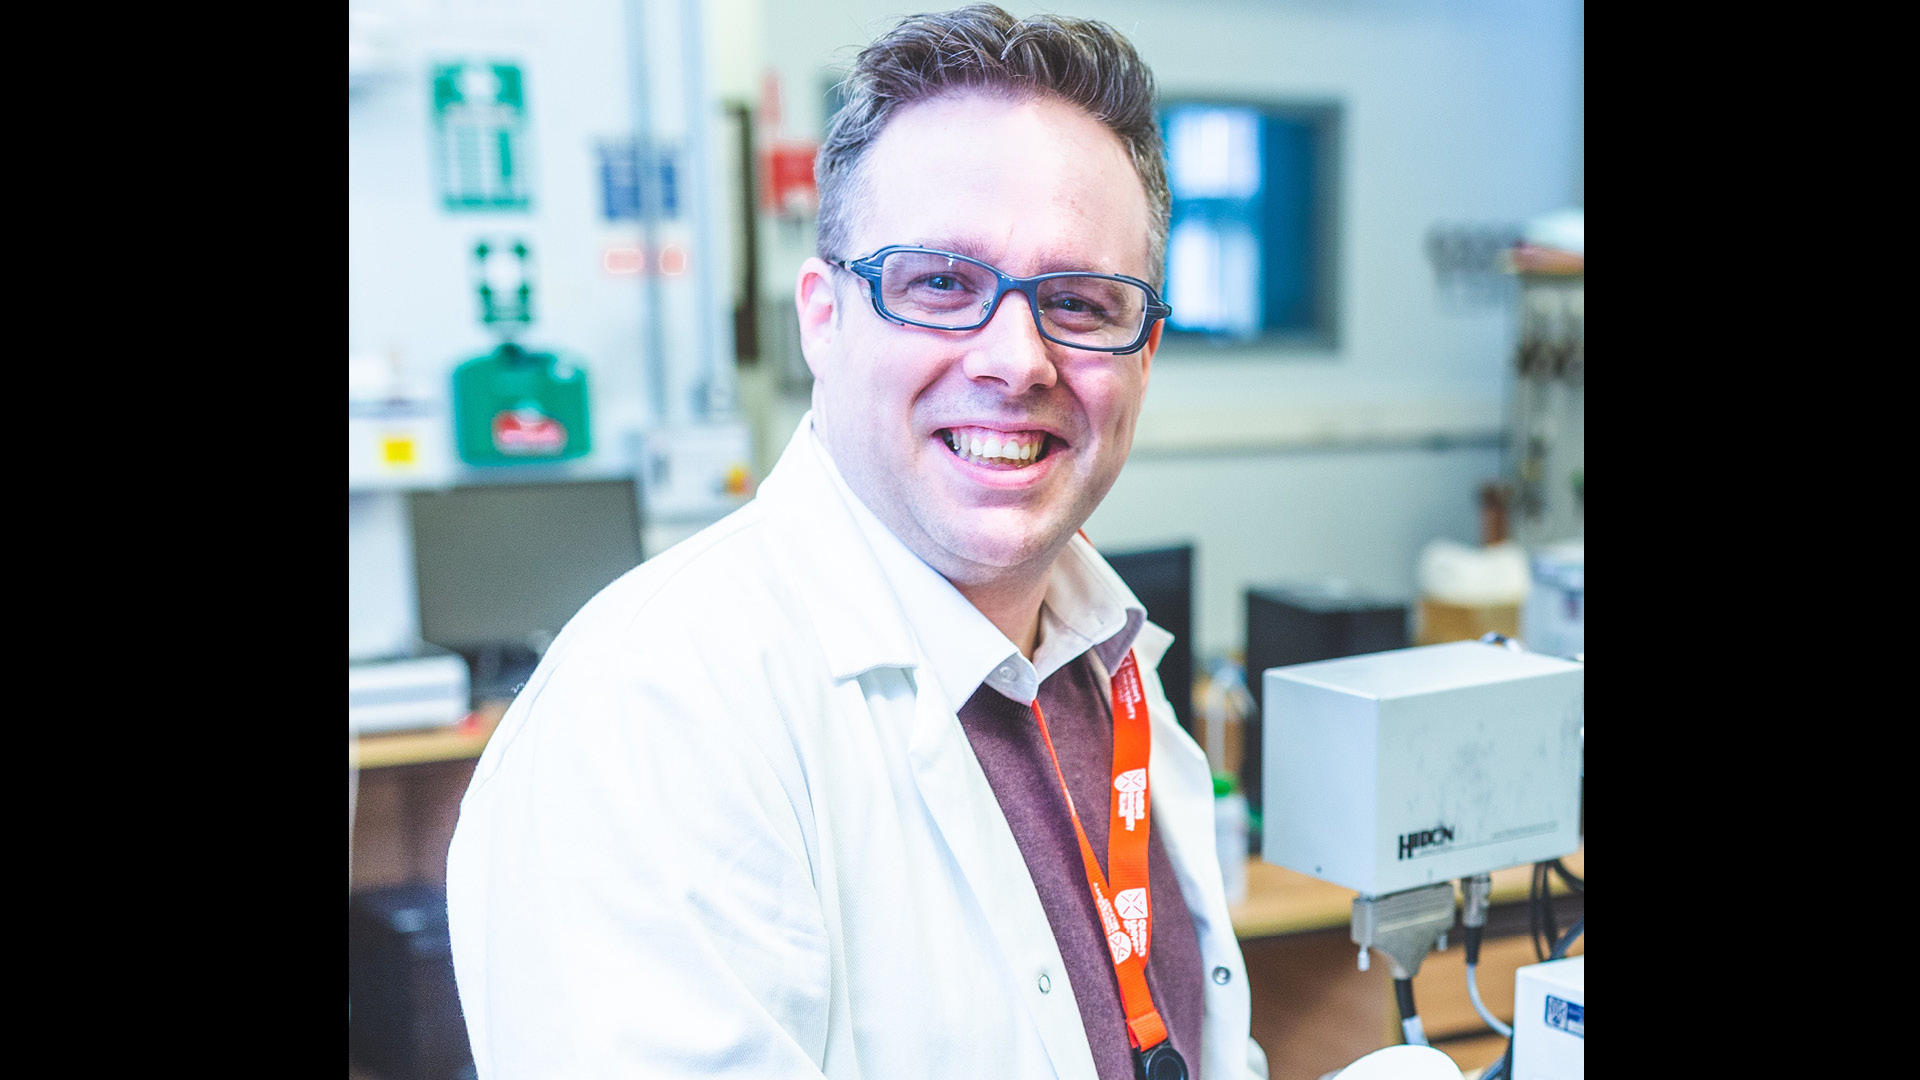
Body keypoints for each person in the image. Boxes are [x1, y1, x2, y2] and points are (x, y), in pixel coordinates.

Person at [447, 6, 1262, 1078]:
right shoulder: (654, 715)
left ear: (1145, 349)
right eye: (940, 284)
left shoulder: (1102, 661)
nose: (1017, 360)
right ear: (823, 318)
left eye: (1078, 302)